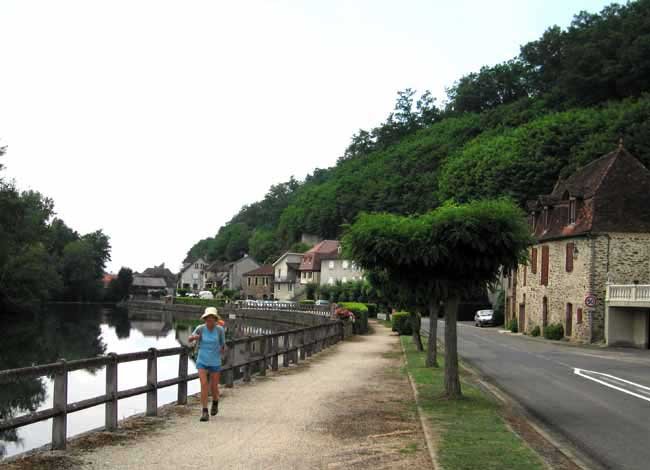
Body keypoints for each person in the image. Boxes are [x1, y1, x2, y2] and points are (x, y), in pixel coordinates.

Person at [188, 307, 225, 422]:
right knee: (204, 384)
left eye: (212, 319)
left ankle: (215, 402)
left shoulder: (219, 330)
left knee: (214, 386)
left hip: (215, 361)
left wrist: (221, 351)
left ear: (215, 319)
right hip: (202, 360)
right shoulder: (200, 328)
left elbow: (223, 344)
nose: (209, 321)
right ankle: (204, 411)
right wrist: (194, 337)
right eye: (207, 319)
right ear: (205, 319)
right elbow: (189, 339)